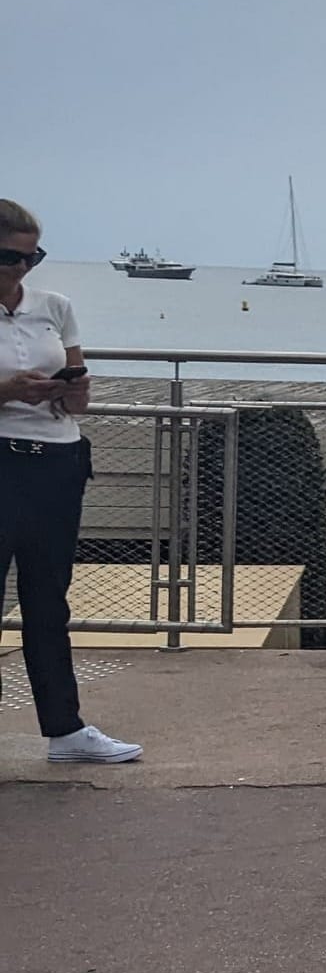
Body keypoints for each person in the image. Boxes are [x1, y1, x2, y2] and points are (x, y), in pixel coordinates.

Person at [0, 200, 141, 765]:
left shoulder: (55, 307)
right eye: (10, 256)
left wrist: (70, 391)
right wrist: (11, 391)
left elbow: (79, 385)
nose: (22, 268)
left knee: (48, 600)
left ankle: (65, 730)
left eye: (33, 255)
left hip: (57, 459)